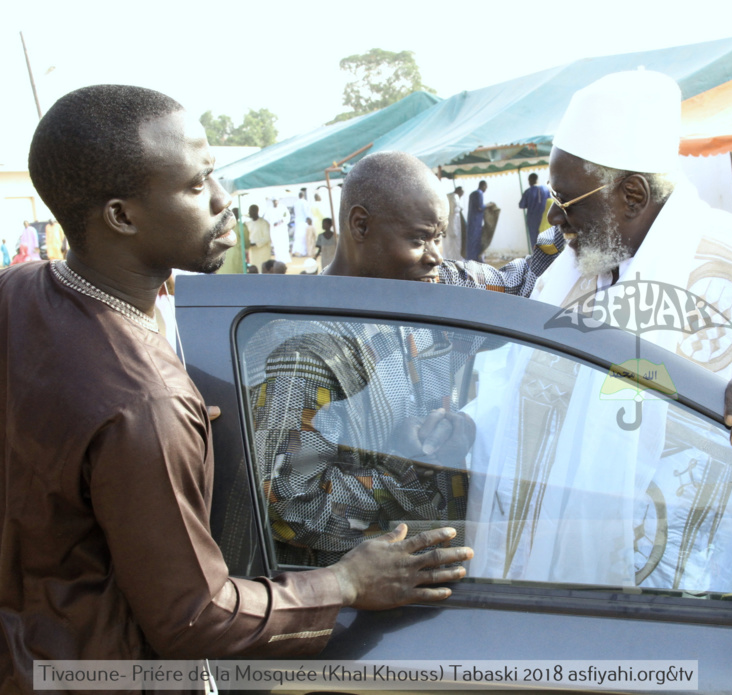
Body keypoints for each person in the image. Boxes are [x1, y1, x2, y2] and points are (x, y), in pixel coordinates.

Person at [0, 84, 471, 689]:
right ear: (122, 216)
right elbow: (197, 618)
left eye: (215, 176)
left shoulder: (22, 288)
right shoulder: (146, 402)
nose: (225, 200)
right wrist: (347, 583)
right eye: (197, 187)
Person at [465, 70, 732, 589]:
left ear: (633, 196)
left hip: (681, 606)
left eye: (567, 201)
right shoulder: (575, 269)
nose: (556, 220)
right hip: (562, 586)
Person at [252, 152, 568, 567]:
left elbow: (527, 281)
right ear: (360, 225)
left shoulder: (436, 289)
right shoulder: (304, 349)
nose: (436, 256)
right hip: (372, 601)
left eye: (438, 238)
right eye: (419, 240)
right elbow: (291, 508)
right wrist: (402, 467)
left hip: (450, 569)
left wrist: (570, 222)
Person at [518, 172, 550, 251]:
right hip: (545, 219)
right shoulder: (546, 190)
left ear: (529, 180)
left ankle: (537, 259)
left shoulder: (528, 192)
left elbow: (521, 205)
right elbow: (551, 201)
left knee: (534, 242)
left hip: (532, 220)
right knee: (546, 239)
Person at [466, 180, 488, 261]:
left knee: (471, 241)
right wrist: (488, 205)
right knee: (476, 241)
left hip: (471, 220)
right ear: (483, 186)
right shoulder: (479, 193)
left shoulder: (472, 194)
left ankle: (470, 258)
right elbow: (480, 207)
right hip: (476, 221)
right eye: (486, 187)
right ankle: (476, 259)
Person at [245, 203, 272, 268]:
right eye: (249, 211)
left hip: (263, 251)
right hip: (253, 251)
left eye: (251, 211)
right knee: (254, 269)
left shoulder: (264, 223)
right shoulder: (248, 223)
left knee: (263, 268)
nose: (249, 213)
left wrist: (255, 244)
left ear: (256, 211)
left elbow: (267, 237)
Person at [264, 197, 291, 261]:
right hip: (274, 230)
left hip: (282, 229)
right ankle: (278, 259)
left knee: (283, 244)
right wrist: (272, 224)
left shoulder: (283, 208)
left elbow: (286, 217)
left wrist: (280, 222)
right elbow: (266, 219)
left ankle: (285, 259)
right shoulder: (269, 209)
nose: (275, 202)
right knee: (276, 245)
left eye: (276, 201)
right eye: (274, 201)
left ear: (278, 201)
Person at [445, 185, 465, 259]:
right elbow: (453, 210)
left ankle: (456, 257)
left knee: (455, 241)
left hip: (455, 220)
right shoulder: (453, 196)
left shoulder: (451, 196)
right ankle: (453, 258)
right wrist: (453, 228)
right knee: (453, 240)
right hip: (453, 222)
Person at [292, 189, 312, 256]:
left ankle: (296, 251)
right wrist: (309, 219)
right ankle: (302, 252)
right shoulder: (304, 202)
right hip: (303, 221)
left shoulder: (295, 203)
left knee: (297, 237)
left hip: (298, 221)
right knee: (303, 237)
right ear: (303, 195)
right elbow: (306, 212)